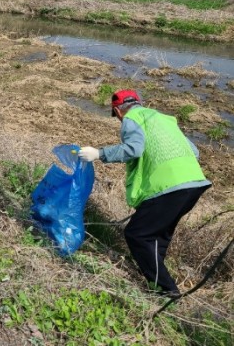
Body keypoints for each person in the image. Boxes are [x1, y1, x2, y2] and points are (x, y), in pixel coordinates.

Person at [78, 89, 211, 297]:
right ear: (140, 102)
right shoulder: (164, 119)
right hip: (195, 184)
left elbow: (134, 149)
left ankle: (168, 291)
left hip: (169, 187)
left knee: (136, 234)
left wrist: (99, 153)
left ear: (118, 112)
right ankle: (156, 285)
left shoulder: (131, 119)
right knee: (158, 235)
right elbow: (194, 152)